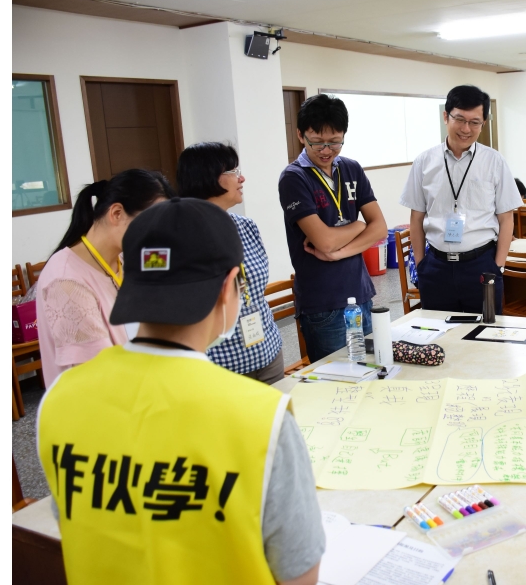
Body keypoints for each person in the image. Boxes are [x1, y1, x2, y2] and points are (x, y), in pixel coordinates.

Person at [37, 198, 325, 585]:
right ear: (229, 287)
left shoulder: (60, 400)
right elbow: (299, 573)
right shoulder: (261, 417)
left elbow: (71, 523)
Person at [36, 169, 174, 387]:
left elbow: (170, 279)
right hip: (102, 407)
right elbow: (99, 376)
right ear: (117, 213)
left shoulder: (127, 255)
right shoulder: (66, 280)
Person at [279, 94, 388, 362]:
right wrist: (358, 226)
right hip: (323, 303)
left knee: (371, 371)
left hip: (360, 292)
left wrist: (338, 253)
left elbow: (381, 228)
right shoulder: (294, 178)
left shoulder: (351, 168)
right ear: (300, 135)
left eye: (335, 142)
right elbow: (324, 241)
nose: (326, 150)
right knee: (337, 385)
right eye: (317, 142)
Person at [400, 84, 522, 314]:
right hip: (436, 267)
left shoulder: (495, 162)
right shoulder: (424, 162)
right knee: (437, 338)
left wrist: (498, 266)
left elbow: (507, 219)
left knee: (486, 338)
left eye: (474, 122)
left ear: (483, 123)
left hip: (481, 264)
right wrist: (421, 264)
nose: (466, 128)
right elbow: (416, 218)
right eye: (460, 119)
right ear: (446, 116)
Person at [178, 142, 285, 384]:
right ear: (207, 177)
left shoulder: (245, 226)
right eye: (234, 172)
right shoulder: (182, 236)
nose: (242, 178)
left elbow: (255, 292)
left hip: (266, 351)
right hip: (220, 365)